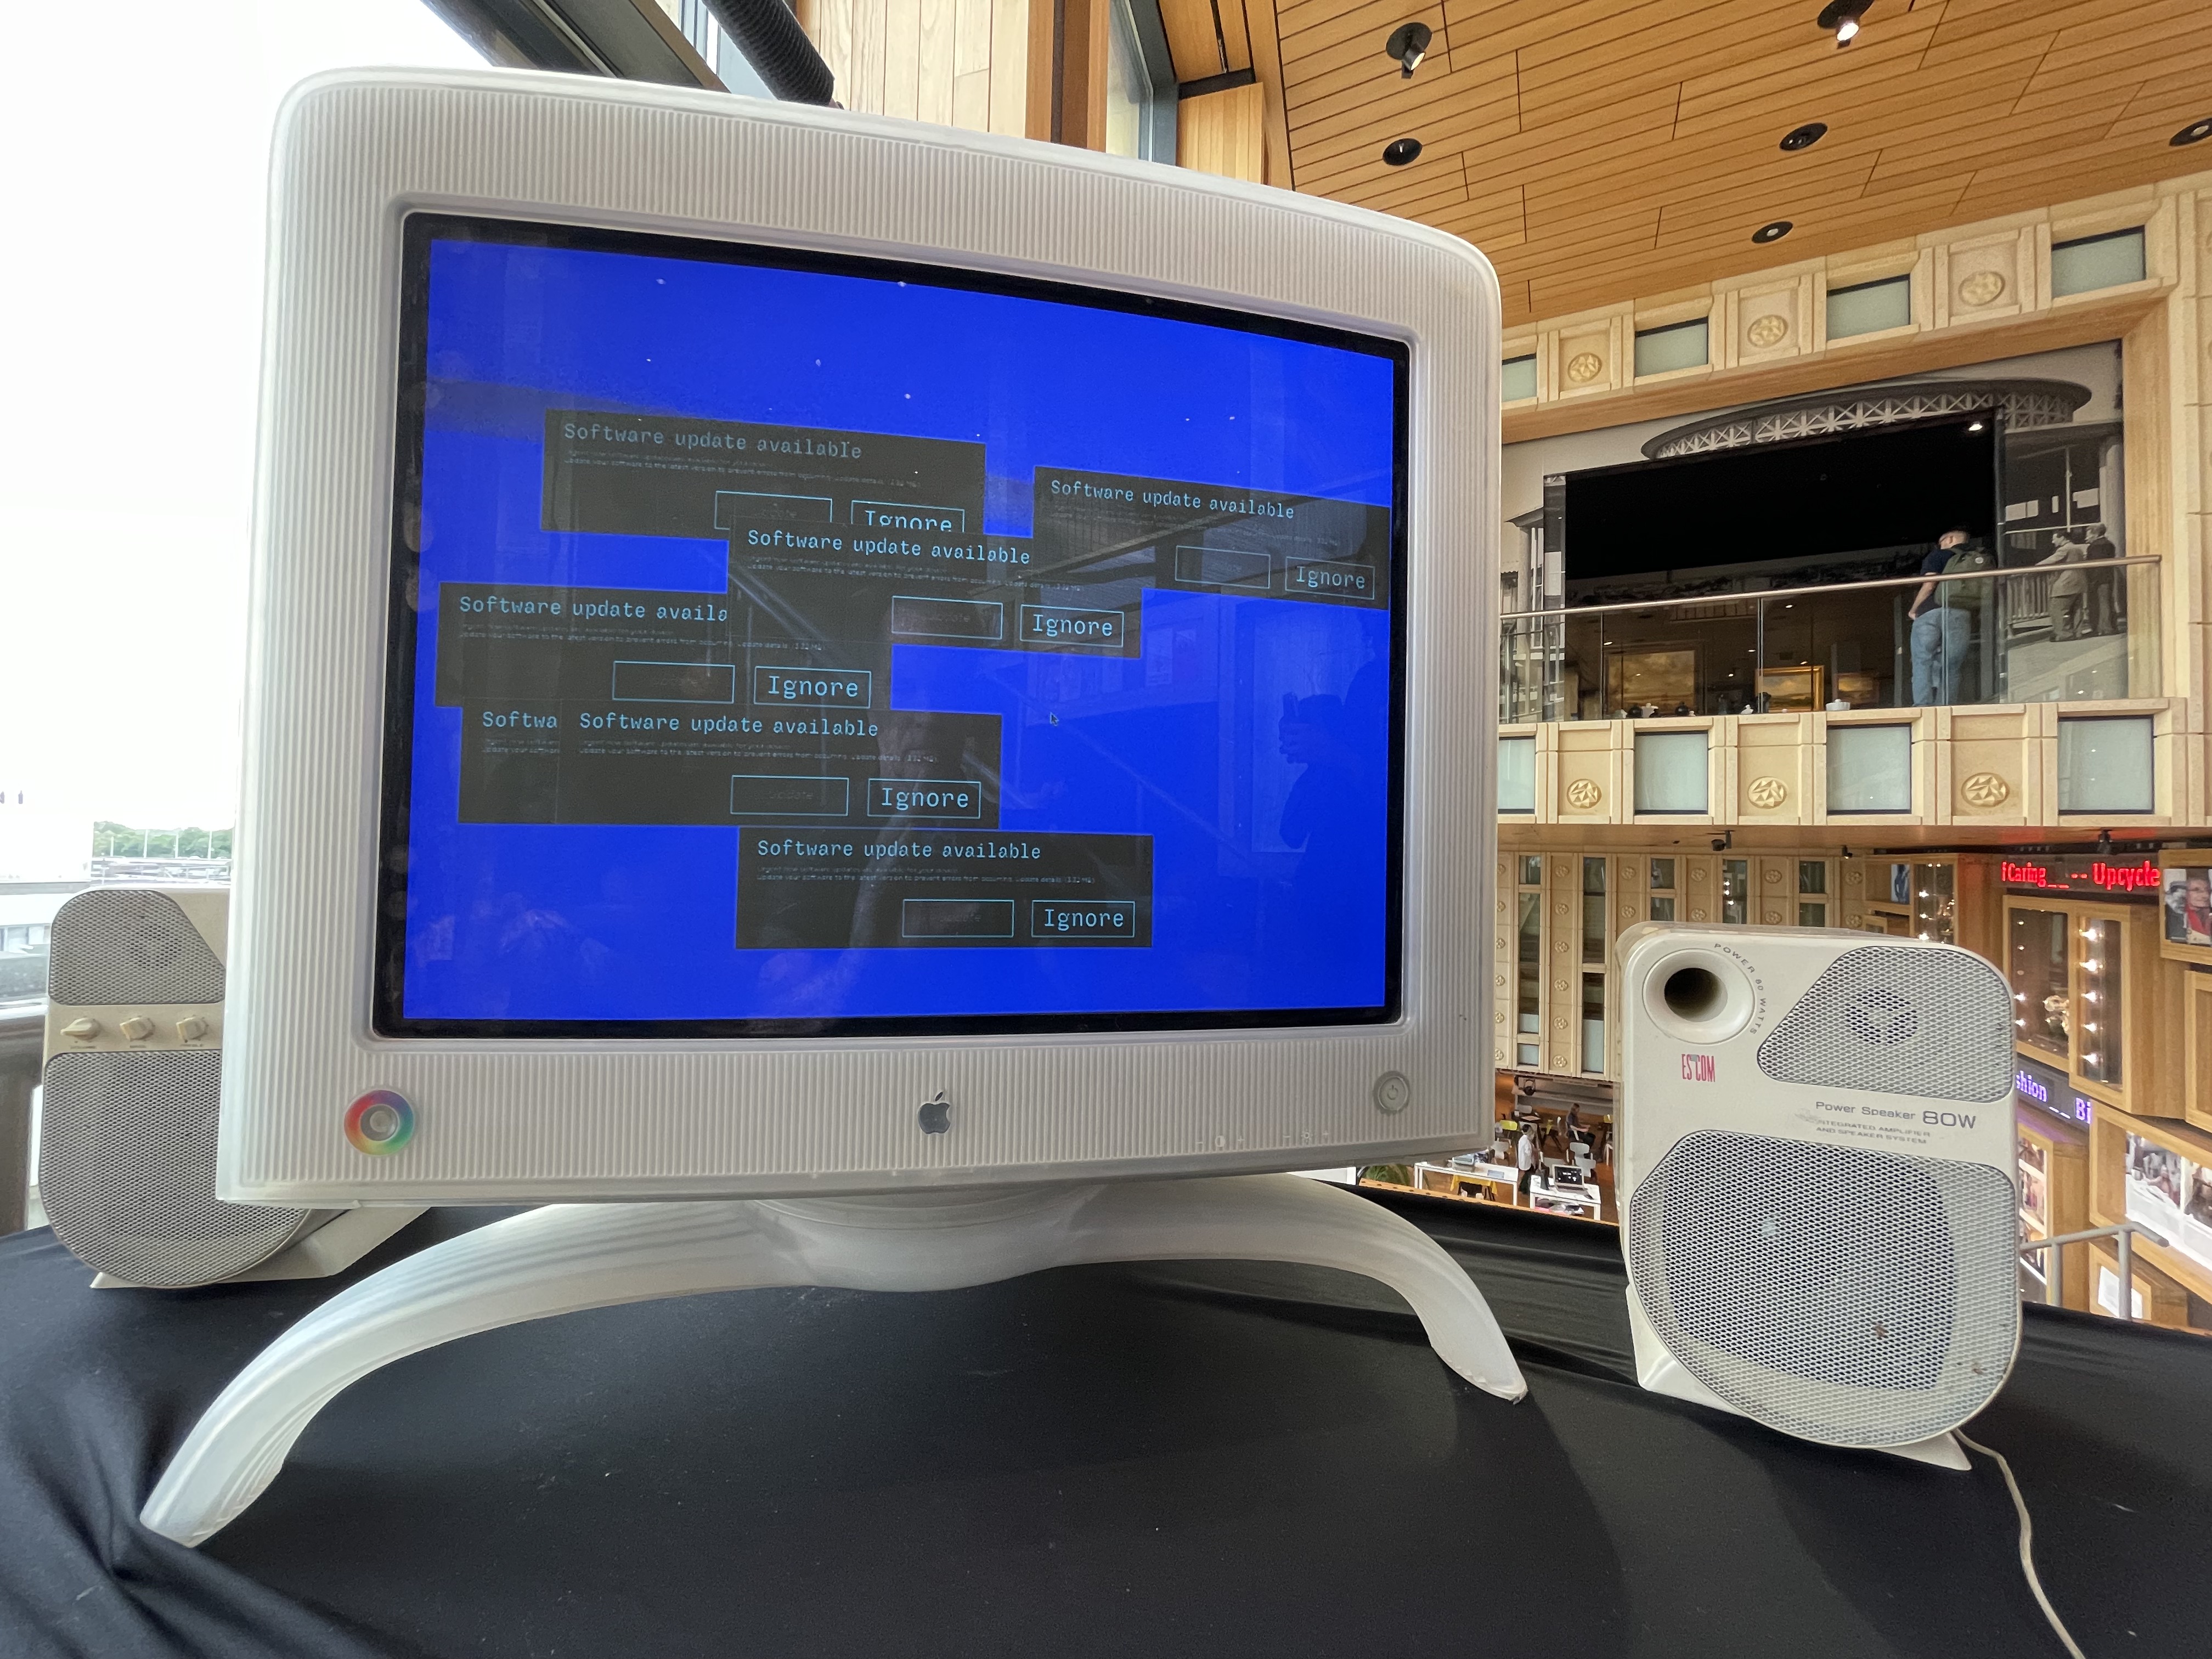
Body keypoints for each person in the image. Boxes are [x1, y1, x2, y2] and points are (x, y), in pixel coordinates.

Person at [1907, 526, 1990, 705]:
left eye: (1941, 542)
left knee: (1922, 661)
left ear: (1950, 539)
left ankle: (1922, 706)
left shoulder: (1938, 555)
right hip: (1960, 613)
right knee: (1952, 666)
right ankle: (1945, 707)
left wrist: (1914, 609)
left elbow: (1930, 583)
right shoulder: (1977, 560)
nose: (1940, 546)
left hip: (1930, 613)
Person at [2038, 529, 2089, 641]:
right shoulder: (2078, 549)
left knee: (2058, 610)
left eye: (2054, 539)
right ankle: (2077, 632)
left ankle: (2064, 634)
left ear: (2063, 538)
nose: (2053, 542)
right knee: (2077, 610)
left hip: (2065, 584)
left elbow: (2051, 560)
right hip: (2079, 583)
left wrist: (2035, 567)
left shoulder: (2064, 549)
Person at [1515, 1119, 1539, 1200]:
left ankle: (1522, 1187)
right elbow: (1529, 1152)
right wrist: (1534, 1150)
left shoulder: (1523, 1139)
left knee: (1527, 1174)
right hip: (1527, 1161)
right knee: (1529, 1174)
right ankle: (1526, 1189)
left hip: (1524, 1160)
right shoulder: (1526, 1141)